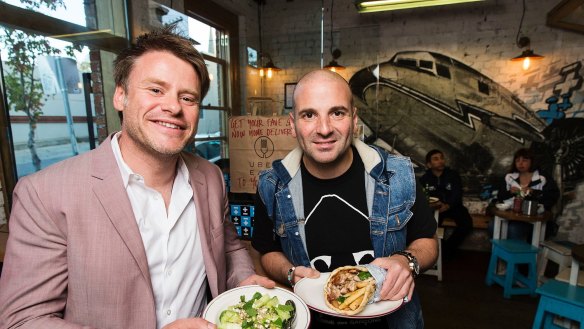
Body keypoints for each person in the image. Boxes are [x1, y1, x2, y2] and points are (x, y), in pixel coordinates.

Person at [0, 26, 273, 329]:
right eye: (156, 90)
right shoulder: (45, 193)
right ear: (120, 96)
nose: (173, 107)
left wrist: (244, 282)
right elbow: (22, 321)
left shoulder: (210, 178)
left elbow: (229, 247)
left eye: (188, 97)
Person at [252, 70, 438, 329]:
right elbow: (267, 250)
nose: (324, 129)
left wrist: (406, 261)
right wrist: (291, 273)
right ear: (292, 123)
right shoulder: (271, 185)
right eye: (309, 115)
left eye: (337, 113)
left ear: (354, 119)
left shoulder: (398, 174)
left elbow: (428, 241)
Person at [493, 148, 560, 240]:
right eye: (517, 160)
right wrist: (510, 192)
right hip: (511, 215)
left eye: (524, 160)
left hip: (531, 219)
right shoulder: (509, 177)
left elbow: (552, 197)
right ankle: (502, 253)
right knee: (492, 226)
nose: (520, 163)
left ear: (532, 161)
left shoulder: (542, 177)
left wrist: (533, 192)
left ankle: (514, 253)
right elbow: (500, 197)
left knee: (514, 229)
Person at [420, 149, 473, 260]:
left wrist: (448, 205)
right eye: (436, 159)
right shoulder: (425, 179)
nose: (440, 161)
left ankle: (447, 251)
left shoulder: (453, 175)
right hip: (435, 209)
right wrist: (434, 206)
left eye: (442, 158)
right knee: (431, 227)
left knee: (466, 224)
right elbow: (423, 196)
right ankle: (440, 251)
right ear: (429, 164)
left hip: (453, 207)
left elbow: (457, 194)